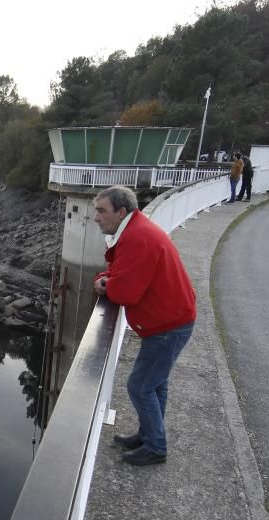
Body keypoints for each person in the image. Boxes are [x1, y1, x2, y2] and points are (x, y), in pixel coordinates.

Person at [92, 186, 197, 466]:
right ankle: (149, 433)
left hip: (168, 327)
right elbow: (120, 272)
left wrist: (105, 285)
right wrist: (108, 279)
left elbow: (125, 292)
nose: (96, 218)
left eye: (101, 211)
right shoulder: (135, 231)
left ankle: (156, 447)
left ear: (121, 211)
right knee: (156, 384)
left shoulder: (137, 238)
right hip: (172, 320)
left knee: (140, 386)